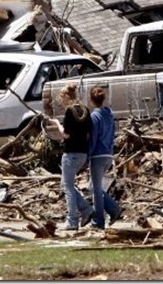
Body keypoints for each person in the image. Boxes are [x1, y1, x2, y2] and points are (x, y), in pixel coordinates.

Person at [47, 83, 94, 231]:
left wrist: (56, 124)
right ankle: (86, 210)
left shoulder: (69, 112)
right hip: (82, 153)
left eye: (62, 98)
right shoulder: (85, 111)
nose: (61, 101)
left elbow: (66, 134)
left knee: (67, 187)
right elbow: (88, 134)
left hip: (70, 152)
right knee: (68, 185)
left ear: (67, 97)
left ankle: (72, 220)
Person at [88, 86, 121, 229]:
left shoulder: (95, 116)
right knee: (93, 187)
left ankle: (100, 219)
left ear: (91, 100)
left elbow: (93, 138)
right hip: (108, 153)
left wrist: (88, 154)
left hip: (98, 155)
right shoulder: (109, 114)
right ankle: (112, 209)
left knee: (95, 189)